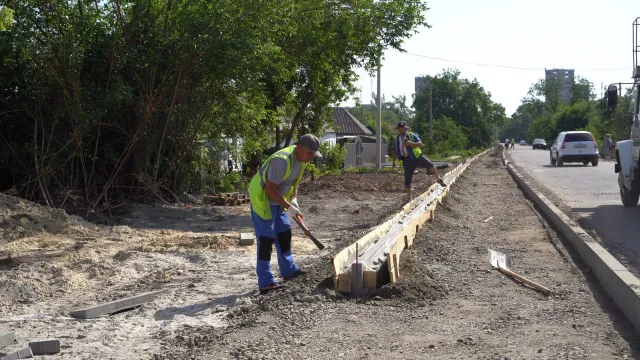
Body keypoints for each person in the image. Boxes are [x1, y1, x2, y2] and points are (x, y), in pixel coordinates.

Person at [248, 134, 321, 295]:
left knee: (284, 234)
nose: (310, 158)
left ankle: (289, 270)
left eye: (313, 155)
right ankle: (266, 283)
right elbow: (269, 188)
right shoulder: (282, 161)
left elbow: (293, 184)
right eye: (309, 153)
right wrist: (288, 206)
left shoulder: (301, 161)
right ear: (299, 147)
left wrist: (294, 201)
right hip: (263, 201)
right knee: (266, 240)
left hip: (279, 202)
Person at [392, 121, 446, 200]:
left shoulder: (411, 135)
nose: (404, 129)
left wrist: (411, 144)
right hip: (406, 160)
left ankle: (438, 179)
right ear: (399, 129)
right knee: (407, 179)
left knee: (430, 165)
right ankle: (409, 196)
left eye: (405, 128)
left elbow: (421, 144)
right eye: (403, 128)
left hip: (416, 157)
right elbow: (396, 150)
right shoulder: (397, 139)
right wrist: (394, 161)